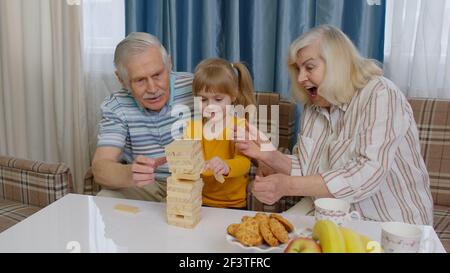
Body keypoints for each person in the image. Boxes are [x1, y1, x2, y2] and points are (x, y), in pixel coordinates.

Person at [236, 25, 433, 225]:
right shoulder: (313, 107)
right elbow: (309, 168)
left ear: (338, 64)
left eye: (309, 67)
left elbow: (367, 174)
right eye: (297, 69)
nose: (300, 78)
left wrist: (288, 186)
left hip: (390, 223)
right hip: (334, 218)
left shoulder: (381, 94)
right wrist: (269, 155)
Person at [91, 32, 194, 201]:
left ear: (168, 63)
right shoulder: (116, 106)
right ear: (122, 79)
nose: (153, 89)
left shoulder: (196, 88)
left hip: (196, 183)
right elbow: (101, 167)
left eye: (157, 75)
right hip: (149, 186)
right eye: (140, 80)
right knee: (106, 197)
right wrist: (130, 173)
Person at [184, 58, 256, 208]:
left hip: (234, 204)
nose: (211, 106)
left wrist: (226, 166)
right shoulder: (192, 128)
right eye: (203, 100)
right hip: (200, 201)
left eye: (218, 99)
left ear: (233, 95)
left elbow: (244, 164)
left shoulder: (240, 126)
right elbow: (189, 162)